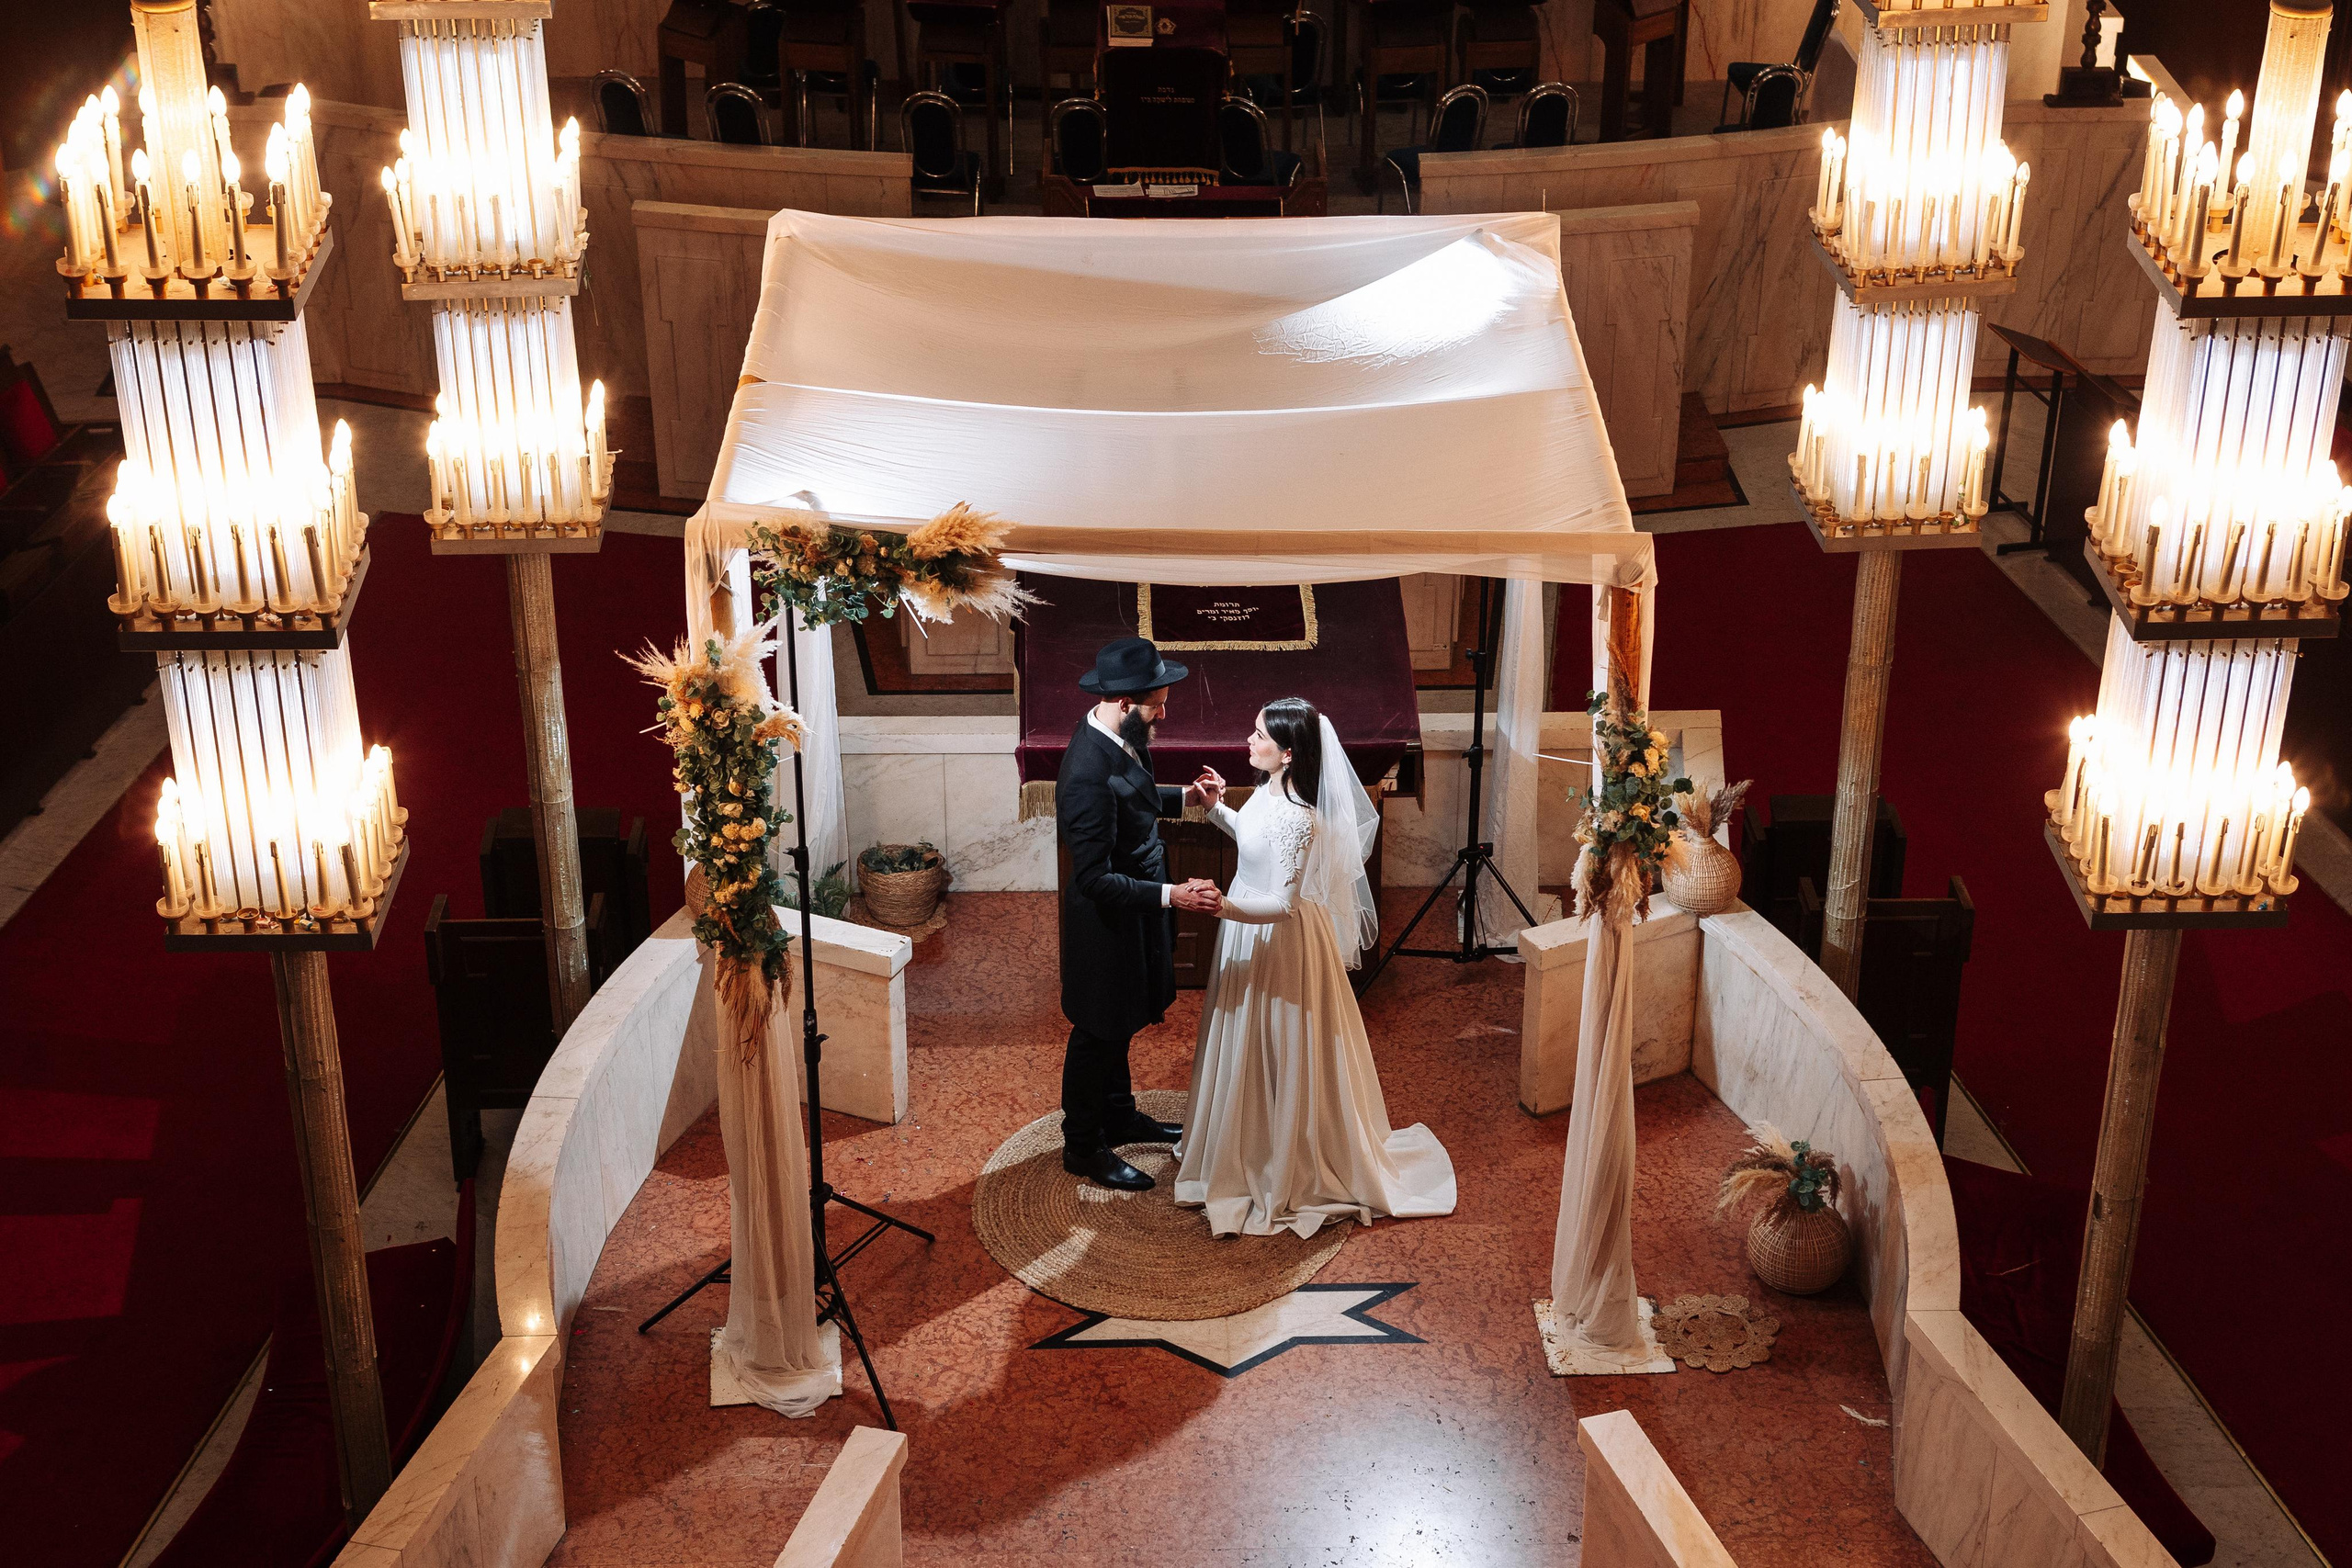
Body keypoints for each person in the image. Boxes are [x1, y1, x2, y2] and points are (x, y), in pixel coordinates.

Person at [1174, 697, 1457, 1237]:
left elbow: (1282, 905)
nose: (1248, 740)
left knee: (1279, 1043)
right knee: (1247, 1040)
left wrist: (1224, 907)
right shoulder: (1267, 790)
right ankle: (1246, 1139)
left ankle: (1281, 1157)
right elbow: (1255, 843)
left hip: (1278, 940)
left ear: (1287, 753)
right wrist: (1215, 810)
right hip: (1247, 928)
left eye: (1259, 734)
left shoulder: (1300, 818)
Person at [1057, 637, 1222, 1191]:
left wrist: (1189, 799)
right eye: (1158, 706)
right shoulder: (1086, 773)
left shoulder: (1120, 734)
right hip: (1106, 923)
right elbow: (1093, 879)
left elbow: (1133, 796)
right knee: (1097, 1033)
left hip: (1134, 909)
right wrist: (1172, 896)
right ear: (1125, 703)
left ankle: (1120, 1116)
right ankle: (1082, 1146)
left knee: (1121, 1020)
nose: (1164, 715)